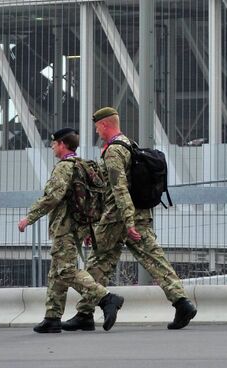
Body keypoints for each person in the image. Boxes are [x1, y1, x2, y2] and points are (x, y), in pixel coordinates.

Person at [63, 107, 197, 331]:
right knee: (154, 259)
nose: (96, 130)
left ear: (104, 125)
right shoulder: (129, 144)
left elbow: (119, 189)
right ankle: (182, 302)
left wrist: (127, 221)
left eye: (97, 126)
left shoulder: (114, 151)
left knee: (97, 261)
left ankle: (86, 313)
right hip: (138, 214)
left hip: (118, 218)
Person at [18, 127, 124, 333]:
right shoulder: (82, 165)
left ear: (62, 144)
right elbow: (89, 200)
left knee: (65, 270)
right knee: (56, 273)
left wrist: (28, 218)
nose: (51, 148)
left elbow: (52, 197)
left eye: (53, 144)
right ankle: (52, 317)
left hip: (64, 227)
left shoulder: (63, 168)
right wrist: (88, 229)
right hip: (77, 227)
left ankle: (106, 298)